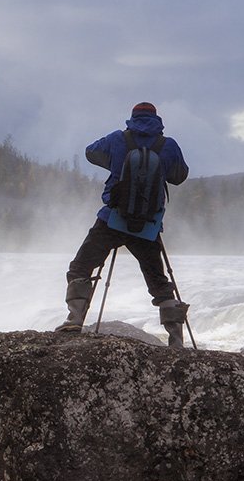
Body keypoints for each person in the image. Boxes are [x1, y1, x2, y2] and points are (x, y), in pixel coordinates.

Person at [57, 102, 190, 346]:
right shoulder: (167, 145)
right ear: (156, 119)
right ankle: (176, 340)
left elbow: (90, 152)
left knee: (80, 267)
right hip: (148, 226)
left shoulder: (118, 139)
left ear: (132, 117)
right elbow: (180, 176)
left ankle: (74, 319)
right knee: (159, 281)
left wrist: (116, 163)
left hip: (112, 220)